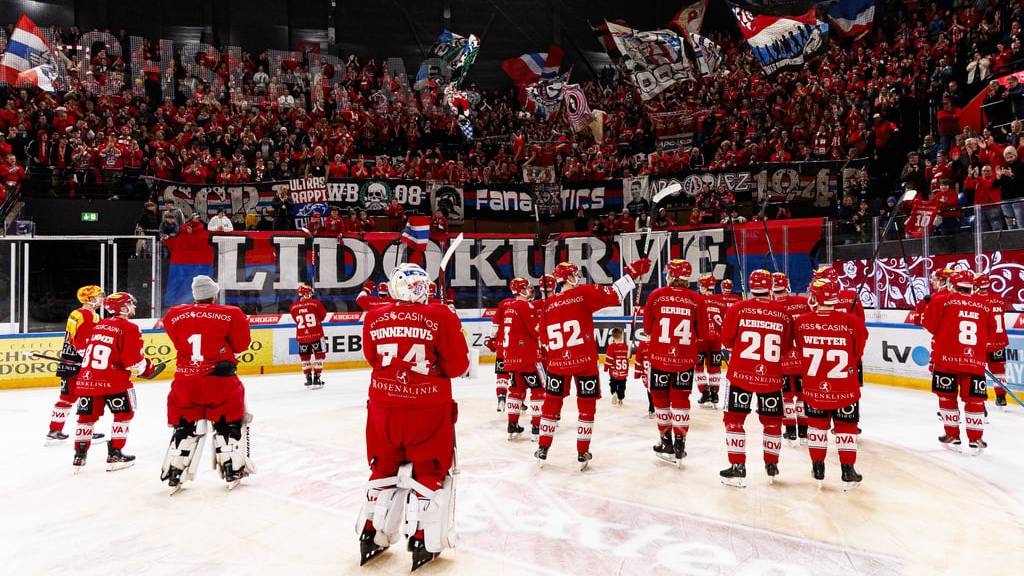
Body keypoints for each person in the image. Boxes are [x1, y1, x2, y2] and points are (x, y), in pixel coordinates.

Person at [357, 263, 469, 570]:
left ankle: (370, 532)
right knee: (430, 473)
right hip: (427, 411)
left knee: (382, 469)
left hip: (383, 408)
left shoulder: (375, 315)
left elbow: (372, 358)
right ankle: (423, 538)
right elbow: (458, 366)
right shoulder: (441, 315)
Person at [535, 257, 651, 470]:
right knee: (586, 407)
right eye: (575, 274)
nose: (578, 277)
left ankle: (543, 448)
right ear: (569, 277)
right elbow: (615, 294)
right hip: (584, 361)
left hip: (558, 363)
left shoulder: (547, 304)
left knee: (551, 404)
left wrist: (559, 355)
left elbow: (543, 337)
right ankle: (582, 451)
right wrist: (632, 274)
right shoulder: (582, 294)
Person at [160, 276, 255, 490]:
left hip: (185, 383)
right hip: (219, 382)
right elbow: (241, 345)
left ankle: (175, 469)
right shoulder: (231, 313)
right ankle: (232, 468)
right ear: (214, 294)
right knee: (227, 424)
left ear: (195, 295)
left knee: (184, 427)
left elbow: (178, 340)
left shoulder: (175, 314)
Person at [719, 269, 793, 487]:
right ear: (770, 286)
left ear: (751, 287)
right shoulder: (783, 313)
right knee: (772, 422)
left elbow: (727, 341)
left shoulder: (737, 309)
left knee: (733, 420)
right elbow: (786, 348)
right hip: (771, 376)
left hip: (740, 374)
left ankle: (737, 467)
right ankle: (771, 463)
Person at [793, 277, 868, 491]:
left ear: (815, 296)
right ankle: (848, 470)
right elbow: (857, 353)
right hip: (845, 387)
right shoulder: (852, 321)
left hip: (814, 386)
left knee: (817, 426)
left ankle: (818, 467)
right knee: (846, 428)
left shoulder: (802, 321)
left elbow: (800, 348)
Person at [72, 292, 161, 471]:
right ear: (124, 307)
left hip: (87, 380)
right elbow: (133, 363)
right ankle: (115, 454)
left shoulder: (99, 325)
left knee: (85, 419)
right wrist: (149, 368)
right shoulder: (129, 328)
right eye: (131, 304)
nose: (134, 307)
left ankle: (79, 456)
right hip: (114, 382)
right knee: (124, 414)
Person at [923, 269, 996, 455]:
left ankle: (952, 435)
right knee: (975, 401)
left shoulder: (941, 300)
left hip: (946, 360)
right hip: (974, 361)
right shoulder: (985, 305)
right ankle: (975, 438)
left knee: (947, 398)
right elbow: (991, 332)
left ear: (951, 284)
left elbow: (930, 326)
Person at [643, 259, 704, 465]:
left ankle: (666, 440)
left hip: (659, 357)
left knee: (660, 399)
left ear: (670, 275)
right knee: (681, 400)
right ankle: (680, 442)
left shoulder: (656, 295)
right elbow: (702, 333)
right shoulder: (697, 299)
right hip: (685, 359)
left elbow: (648, 329)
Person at [46, 285, 105, 443]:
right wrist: (89, 362)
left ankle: (54, 429)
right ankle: (87, 431)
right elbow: (81, 343)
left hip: (69, 361)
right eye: (100, 295)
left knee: (67, 397)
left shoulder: (79, 313)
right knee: (88, 396)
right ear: (91, 299)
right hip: (81, 363)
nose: (102, 298)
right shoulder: (87, 316)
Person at [497, 277, 545, 440]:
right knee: (538, 390)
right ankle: (537, 427)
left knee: (516, 391)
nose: (530, 290)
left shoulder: (509, 308)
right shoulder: (525, 306)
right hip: (528, 359)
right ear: (520, 290)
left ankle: (512, 424)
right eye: (527, 288)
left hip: (510, 359)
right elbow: (535, 331)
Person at [771, 272, 812, 444]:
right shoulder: (803, 303)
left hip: (784, 361)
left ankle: (790, 431)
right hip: (803, 360)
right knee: (802, 396)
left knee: (787, 397)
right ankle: (803, 431)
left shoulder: (772, 307)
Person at [974, 273, 1009, 408]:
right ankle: (1001, 397)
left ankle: (978, 399)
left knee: (977, 372)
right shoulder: (998, 298)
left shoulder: (975, 300)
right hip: (999, 341)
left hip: (982, 343)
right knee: (999, 370)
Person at [695, 274, 726, 409]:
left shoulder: (697, 300)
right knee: (715, 368)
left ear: (702, 286)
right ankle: (715, 393)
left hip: (701, 339)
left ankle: (705, 392)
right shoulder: (721, 301)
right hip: (717, 340)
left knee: (699, 367)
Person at [290, 283, 328, 389]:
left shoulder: (293, 307)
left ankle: (308, 379)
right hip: (316, 334)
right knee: (319, 355)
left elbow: (295, 320)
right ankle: (316, 378)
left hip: (302, 337)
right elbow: (323, 316)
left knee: (305, 357)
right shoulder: (315, 303)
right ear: (307, 293)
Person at [487, 288, 515, 413]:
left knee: (502, 374)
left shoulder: (503, 303)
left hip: (501, 344)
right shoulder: (524, 304)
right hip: (516, 347)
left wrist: (492, 339)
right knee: (517, 376)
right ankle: (519, 401)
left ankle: (501, 396)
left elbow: (495, 325)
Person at [603, 327, 629, 406]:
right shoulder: (626, 346)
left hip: (614, 372)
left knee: (613, 383)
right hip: (623, 373)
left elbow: (609, 359)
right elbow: (628, 357)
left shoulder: (611, 347)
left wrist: (605, 368)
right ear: (622, 336)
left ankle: (614, 392)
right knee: (622, 387)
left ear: (613, 337)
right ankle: (620, 398)